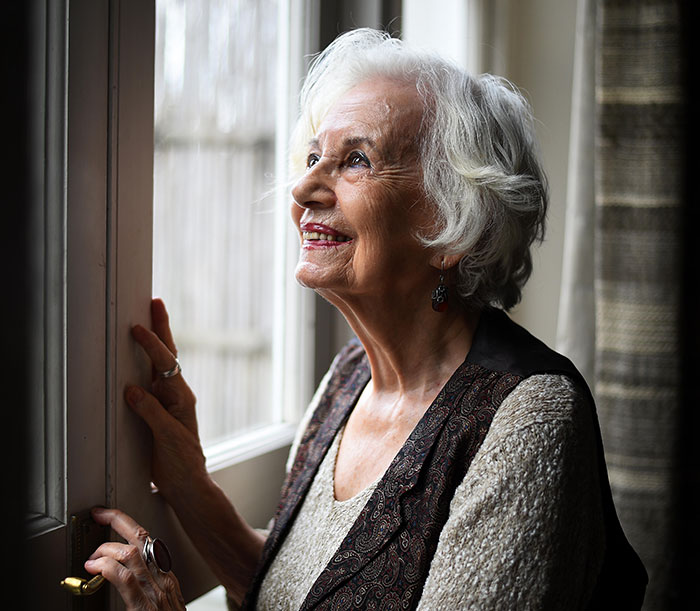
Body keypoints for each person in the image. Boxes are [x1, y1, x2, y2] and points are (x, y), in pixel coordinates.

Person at [85, 28, 647, 610]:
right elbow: (308, 596)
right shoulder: (349, 377)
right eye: (311, 157)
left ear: (454, 220)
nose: (302, 188)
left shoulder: (529, 420)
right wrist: (186, 482)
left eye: (356, 160)